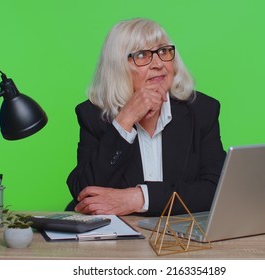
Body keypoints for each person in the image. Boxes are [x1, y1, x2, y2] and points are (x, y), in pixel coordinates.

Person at [66, 18, 226, 216]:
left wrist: (139, 198)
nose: (158, 64)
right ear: (117, 67)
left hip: (178, 238)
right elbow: (85, 192)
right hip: (119, 240)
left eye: (164, 51)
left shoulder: (202, 110)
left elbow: (216, 190)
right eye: (142, 55)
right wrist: (125, 119)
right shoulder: (93, 115)